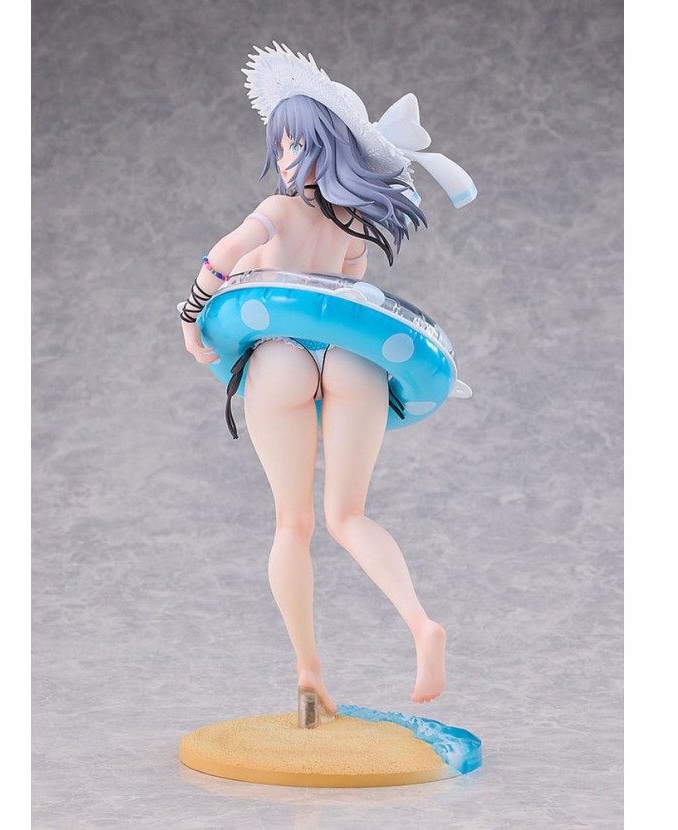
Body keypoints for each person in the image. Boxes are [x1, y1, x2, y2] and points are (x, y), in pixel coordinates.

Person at [179, 43, 476, 725]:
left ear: (321, 147)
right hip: (353, 358)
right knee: (349, 515)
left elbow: (224, 257)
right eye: (281, 146)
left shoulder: (277, 210)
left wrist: (191, 317)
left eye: (294, 144)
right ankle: (421, 622)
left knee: (294, 522)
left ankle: (309, 673)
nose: (285, 158)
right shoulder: (354, 223)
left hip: (280, 355)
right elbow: (345, 299)